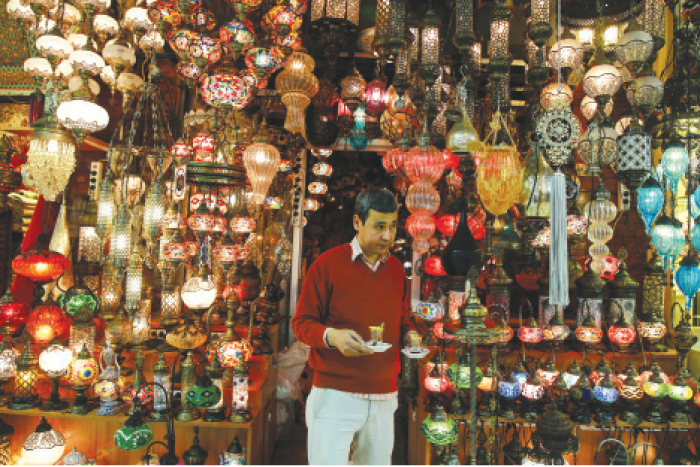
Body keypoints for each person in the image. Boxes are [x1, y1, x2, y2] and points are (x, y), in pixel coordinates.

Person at [292, 187, 418, 465]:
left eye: (393, 226)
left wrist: (410, 335)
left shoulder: (397, 270)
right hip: (335, 394)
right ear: (357, 223)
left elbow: (401, 319)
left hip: (384, 394)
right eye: (379, 227)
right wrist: (331, 336)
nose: (387, 236)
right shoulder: (327, 265)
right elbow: (301, 324)